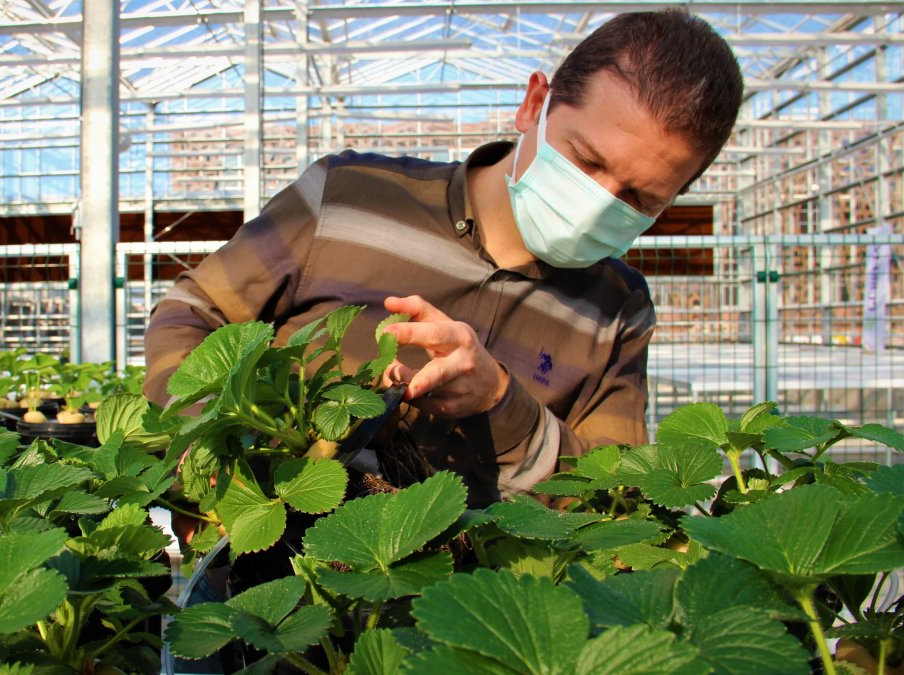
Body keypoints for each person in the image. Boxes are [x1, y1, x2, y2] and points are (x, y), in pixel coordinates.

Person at [142, 10, 743, 508]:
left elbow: (615, 497)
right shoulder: (348, 198)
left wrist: (502, 403)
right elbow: (192, 310)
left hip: (478, 605)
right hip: (269, 582)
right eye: (586, 160)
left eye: (639, 198)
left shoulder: (619, 309)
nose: (596, 203)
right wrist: (212, 453)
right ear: (535, 104)